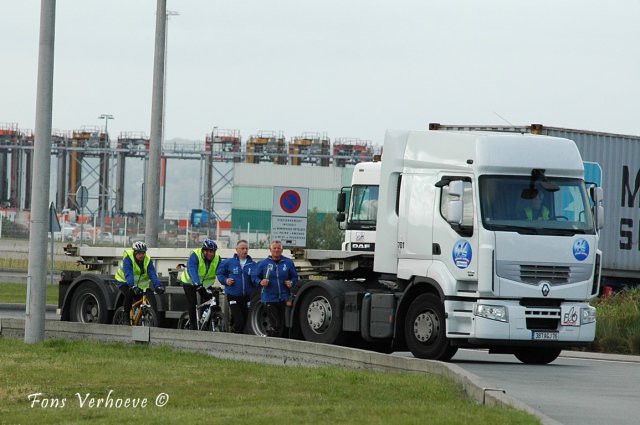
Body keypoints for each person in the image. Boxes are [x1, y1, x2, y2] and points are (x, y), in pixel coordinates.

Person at [251, 240, 298, 337]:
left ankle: (278, 343)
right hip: (269, 298)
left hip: (283, 298)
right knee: (275, 323)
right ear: (270, 250)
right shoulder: (263, 263)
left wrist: (291, 282)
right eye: (274, 248)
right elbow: (254, 276)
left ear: (282, 250)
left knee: (282, 324)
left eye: (278, 248)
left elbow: (295, 277)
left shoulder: (288, 263)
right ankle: (271, 342)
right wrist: (260, 282)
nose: (276, 250)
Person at [114, 241, 164, 325]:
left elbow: (152, 274)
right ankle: (126, 316)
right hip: (124, 282)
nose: (142, 255)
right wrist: (132, 286)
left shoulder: (147, 260)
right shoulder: (128, 258)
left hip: (140, 284)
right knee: (129, 294)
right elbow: (128, 273)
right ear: (135, 253)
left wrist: (157, 286)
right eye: (139, 253)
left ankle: (142, 314)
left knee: (149, 296)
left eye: (143, 253)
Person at [216, 239, 256, 334]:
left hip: (247, 297)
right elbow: (220, 274)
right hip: (233, 296)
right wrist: (226, 280)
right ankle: (232, 333)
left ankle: (238, 338)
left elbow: (256, 278)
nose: (245, 251)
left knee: (245, 321)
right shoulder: (228, 262)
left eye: (246, 248)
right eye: (242, 248)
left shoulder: (253, 264)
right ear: (237, 250)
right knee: (239, 322)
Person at [180, 238, 221, 330]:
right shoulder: (195, 255)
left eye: (213, 252)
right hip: (190, 282)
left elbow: (221, 272)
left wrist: (226, 283)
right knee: (192, 302)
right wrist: (197, 284)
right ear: (204, 251)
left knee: (211, 302)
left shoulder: (217, 259)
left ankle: (205, 322)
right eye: (209, 251)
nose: (211, 254)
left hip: (205, 284)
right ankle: (193, 325)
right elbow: (192, 269)